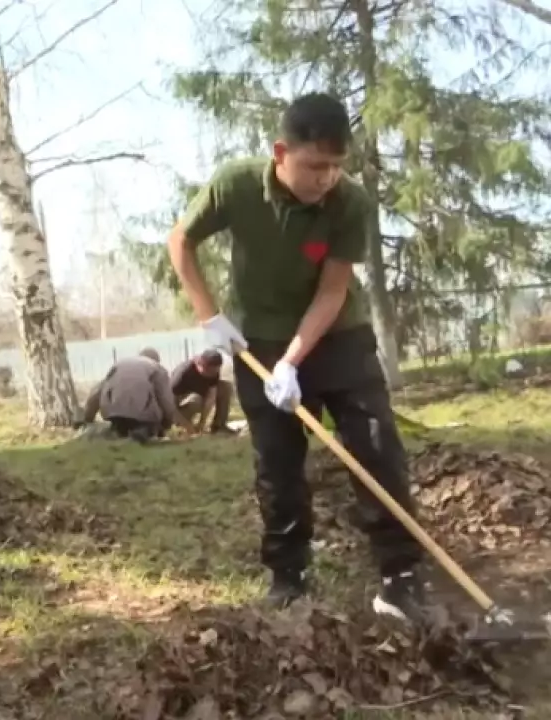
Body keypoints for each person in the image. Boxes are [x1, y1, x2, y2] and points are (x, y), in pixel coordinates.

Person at [165, 92, 425, 622]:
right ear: (280, 151)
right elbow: (180, 241)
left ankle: (401, 577)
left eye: (335, 167)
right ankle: (289, 576)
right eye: (314, 166)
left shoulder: (350, 203)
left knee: (376, 446)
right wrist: (209, 315)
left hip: (339, 336)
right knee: (277, 460)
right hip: (256, 339)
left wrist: (294, 360)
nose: (325, 179)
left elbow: (332, 292)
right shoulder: (236, 184)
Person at [75, 349, 195, 443]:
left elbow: (96, 393)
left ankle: (117, 431)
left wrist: (87, 419)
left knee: (120, 428)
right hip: (142, 415)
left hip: (112, 412)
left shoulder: (119, 364)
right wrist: (168, 424)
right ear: (157, 360)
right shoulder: (157, 369)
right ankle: (145, 432)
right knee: (149, 415)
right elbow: (166, 401)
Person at [170, 349, 234, 434]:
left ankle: (219, 426)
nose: (210, 375)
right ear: (199, 363)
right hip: (177, 409)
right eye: (208, 371)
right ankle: (181, 425)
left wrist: (202, 423)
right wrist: (187, 425)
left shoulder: (214, 372)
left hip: (197, 398)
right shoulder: (183, 373)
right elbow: (169, 406)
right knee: (196, 399)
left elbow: (211, 396)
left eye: (214, 371)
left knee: (225, 387)